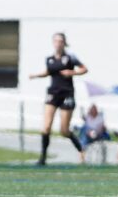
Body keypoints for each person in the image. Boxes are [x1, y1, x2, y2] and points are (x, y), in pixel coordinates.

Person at [30, 32, 87, 165]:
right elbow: (48, 72)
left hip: (67, 93)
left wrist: (71, 72)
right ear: (53, 43)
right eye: (55, 41)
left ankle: (80, 148)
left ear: (64, 43)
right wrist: (35, 75)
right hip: (53, 93)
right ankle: (43, 157)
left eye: (60, 41)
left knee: (64, 130)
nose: (58, 43)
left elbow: (84, 69)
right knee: (45, 127)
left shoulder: (70, 58)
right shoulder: (49, 59)